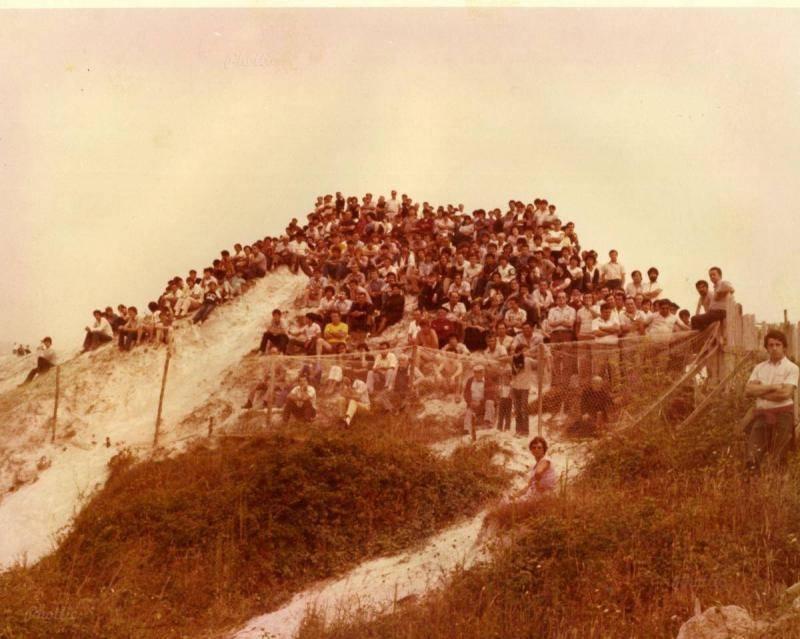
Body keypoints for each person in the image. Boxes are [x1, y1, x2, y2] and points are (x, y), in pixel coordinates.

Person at [744, 330, 799, 471]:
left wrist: (760, 391)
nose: (774, 348)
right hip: (761, 415)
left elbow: (785, 393)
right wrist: (773, 387)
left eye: (777, 344)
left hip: (783, 416)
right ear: (766, 348)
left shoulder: (792, 368)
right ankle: (753, 487)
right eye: (770, 345)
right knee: (752, 455)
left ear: (784, 347)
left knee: (779, 456)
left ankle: (777, 488)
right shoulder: (759, 368)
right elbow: (748, 390)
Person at [463, 364, 496, 434]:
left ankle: (488, 423)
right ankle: (467, 429)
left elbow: (490, 394)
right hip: (472, 403)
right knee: (468, 412)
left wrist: (480, 402)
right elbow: (466, 393)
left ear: (483, 372)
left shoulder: (488, 381)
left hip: (483, 404)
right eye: (476, 372)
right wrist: (470, 402)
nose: (478, 374)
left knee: (490, 402)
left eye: (480, 372)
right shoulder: (470, 381)